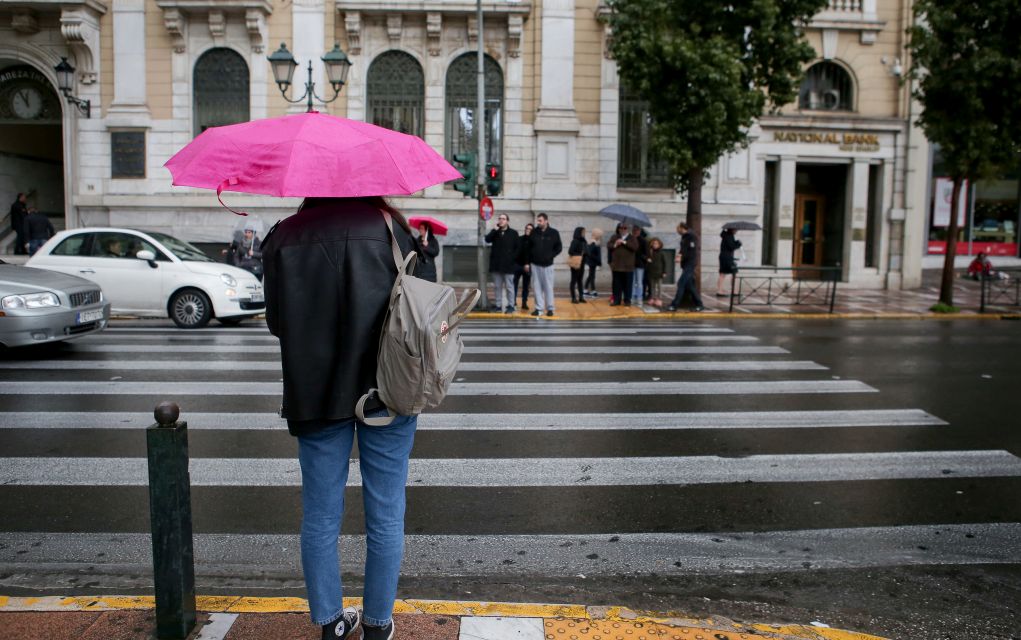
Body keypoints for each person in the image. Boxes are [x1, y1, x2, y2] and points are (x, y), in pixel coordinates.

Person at [262, 196, 418, 640]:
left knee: (319, 514)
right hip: (386, 389)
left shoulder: (285, 235)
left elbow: (277, 322)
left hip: (314, 392)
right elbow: (421, 308)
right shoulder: (391, 229)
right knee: (386, 513)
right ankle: (377, 624)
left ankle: (330, 622)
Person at [527, 213, 562, 317]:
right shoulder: (534, 232)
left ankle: (550, 308)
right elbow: (529, 247)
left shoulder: (554, 233)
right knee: (536, 287)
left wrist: (551, 255)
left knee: (548, 287)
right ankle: (539, 308)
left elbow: (559, 247)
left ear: (546, 221)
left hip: (548, 265)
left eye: (540, 220)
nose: (538, 222)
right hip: (535, 264)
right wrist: (530, 260)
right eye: (538, 220)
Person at [485, 213, 520, 313]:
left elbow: (518, 248)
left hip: (509, 265)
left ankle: (511, 305)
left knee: (509, 287)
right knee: (497, 287)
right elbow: (487, 239)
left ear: (507, 221)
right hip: (496, 265)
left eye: (503, 219)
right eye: (500, 218)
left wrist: (512, 258)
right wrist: (494, 230)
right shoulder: (495, 232)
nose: (501, 220)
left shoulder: (513, 233)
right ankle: (498, 305)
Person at [667, 222, 704, 312]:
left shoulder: (691, 236)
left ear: (682, 228)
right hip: (686, 264)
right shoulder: (685, 237)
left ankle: (674, 305)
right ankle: (699, 304)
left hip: (690, 264)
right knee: (690, 286)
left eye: (678, 229)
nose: (677, 231)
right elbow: (683, 249)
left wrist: (681, 256)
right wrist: (680, 255)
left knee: (681, 283)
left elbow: (691, 251)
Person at [607, 223, 638, 306]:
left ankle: (627, 300)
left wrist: (624, 242)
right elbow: (609, 245)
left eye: (625, 228)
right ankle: (616, 300)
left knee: (627, 285)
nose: (623, 229)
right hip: (617, 265)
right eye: (621, 228)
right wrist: (615, 244)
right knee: (616, 284)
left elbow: (635, 247)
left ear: (628, 229)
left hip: (628, 266)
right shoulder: (614, 237)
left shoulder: (632, 238)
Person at [514, 222, 534, 310]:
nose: (528, 230)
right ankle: (513, 301)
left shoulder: (533, 241)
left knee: (526, 286)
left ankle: (524, 303)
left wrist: (528, 264)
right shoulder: (519, 239)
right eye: (527, 228)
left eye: (530, 229)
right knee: (514, 284)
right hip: (517, 265)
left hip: (528, 267)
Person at [716, 227, 742, 296]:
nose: (736, 230)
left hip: (725, 257)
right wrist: (738, 244)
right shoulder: (728, 236)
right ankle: (722, 291)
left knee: (723, 273)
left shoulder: (727, 236)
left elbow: (730, 245)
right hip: (727, 257)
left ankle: (720, 290)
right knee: (732, 272)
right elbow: (731, 247)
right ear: (731, 229)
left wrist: (736, 242)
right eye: (735, 229)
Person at [567, 226, 587, 304]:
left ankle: (581, 297)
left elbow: (587, 251)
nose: (584, 233)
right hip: (575, 263)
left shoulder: (584, 241)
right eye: (583, 232)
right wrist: (579, 254)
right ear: (579, 232)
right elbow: (570, 251)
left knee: (580, 281)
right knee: (574, 280)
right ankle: (573, 297)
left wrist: (586, 252)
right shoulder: (575, 241)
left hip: (582, 263)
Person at [646, 237, 668, 307]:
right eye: (653, 244)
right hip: (651, 272)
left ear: (659, 244)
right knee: (652, 286)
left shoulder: (661, 253)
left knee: (659, 286)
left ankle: (659, 299)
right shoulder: (650, 252)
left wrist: (664, 272)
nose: (655, 245)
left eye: (656, 244)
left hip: (659, 272)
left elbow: (665, 263)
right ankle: (652, 298)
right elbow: (647, 259)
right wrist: (647, 259)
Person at [631, 225, 649, 304]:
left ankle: (639, 298)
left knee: (639, 282)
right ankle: (632, 297)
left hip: (640, 264)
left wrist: (642, 258)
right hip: (631, 263)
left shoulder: (643, 241)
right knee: (632, 281)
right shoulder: (630, 239)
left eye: (637, 230)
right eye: (634, 230)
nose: (635, 231)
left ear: (640, 231)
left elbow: (646, 253)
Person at [583, 228, 603, 297]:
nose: (600, 237)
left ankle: (590, 290)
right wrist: (597, 259)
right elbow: (590, 253)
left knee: (591, 276)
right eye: (600, 235)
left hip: (592, 262)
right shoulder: (593, 243)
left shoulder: (592, 242)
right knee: (591, 276)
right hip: (592, 262)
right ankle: (589, 290)